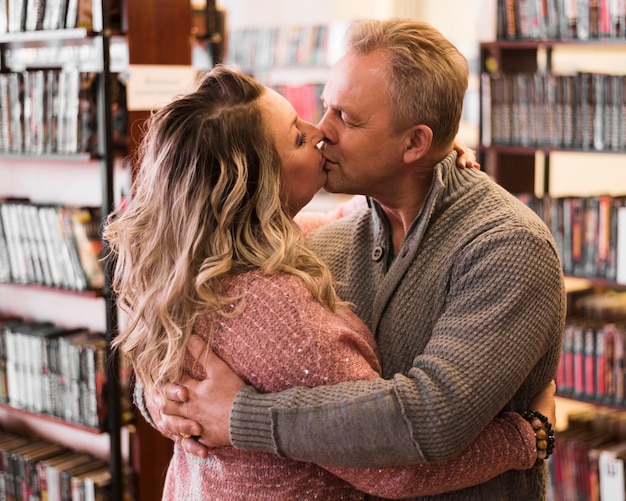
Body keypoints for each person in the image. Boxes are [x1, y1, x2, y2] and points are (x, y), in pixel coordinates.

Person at [154, 18, 566, 500]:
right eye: (327, 107)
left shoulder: (508, 246)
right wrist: (167, 401)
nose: (322, 133)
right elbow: (186, 320)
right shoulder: (317, 243)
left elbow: (428, 419)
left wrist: (237, 417)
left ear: (415, 143)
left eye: (347, 119)